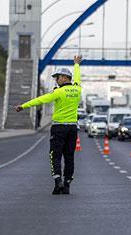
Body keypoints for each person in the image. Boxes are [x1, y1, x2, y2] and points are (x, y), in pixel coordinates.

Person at [16, 55, 82, 195]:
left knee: (55, 155)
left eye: (57, 77)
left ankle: (58, 181)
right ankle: (67, 184)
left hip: (59, 128)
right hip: (72, 128)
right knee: (69, 156)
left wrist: (23, 106)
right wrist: (76, 64)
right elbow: (77, 77)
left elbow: (41, 100)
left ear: (64, 77)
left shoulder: (58, 92)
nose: (56, 80)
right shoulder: (78, 90)